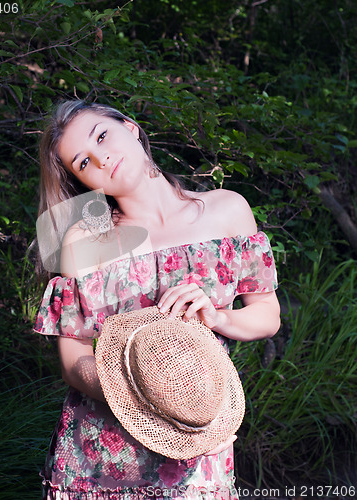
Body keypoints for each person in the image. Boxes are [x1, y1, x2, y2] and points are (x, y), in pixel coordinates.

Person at [34, 100, 280, 500]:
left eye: (102, 136)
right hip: (101, 458)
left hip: (197, 442)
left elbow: (267, 316)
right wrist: (139, 398)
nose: (102, 158)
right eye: (83, 162)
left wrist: (216, 317)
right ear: (83, 183)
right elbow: (71, 358)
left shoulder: (228, 210)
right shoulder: (85, 240)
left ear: (130, 128)